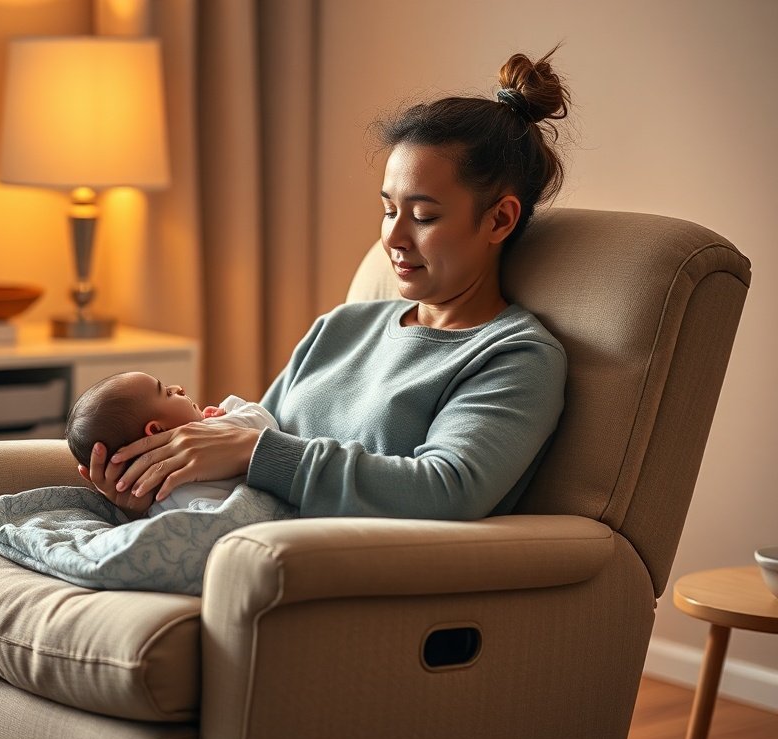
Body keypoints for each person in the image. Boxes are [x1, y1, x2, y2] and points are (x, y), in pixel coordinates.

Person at [85, 48, 571, 523]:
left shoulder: (514, 356)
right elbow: (252, 444)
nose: (394, 237)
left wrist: (255, 451)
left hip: (335, 574)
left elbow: (448, 489)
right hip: (248, 552)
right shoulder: (341, 326)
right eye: (388, 210)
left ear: (500, 220)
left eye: (424, 216)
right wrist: (150, 494)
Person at [68, 371, 277, 518]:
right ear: (157, 430)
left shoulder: (161, 502)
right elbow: (267, 424)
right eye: (167, 392)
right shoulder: (222, 427)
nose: (179, 388)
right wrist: (228, 416)